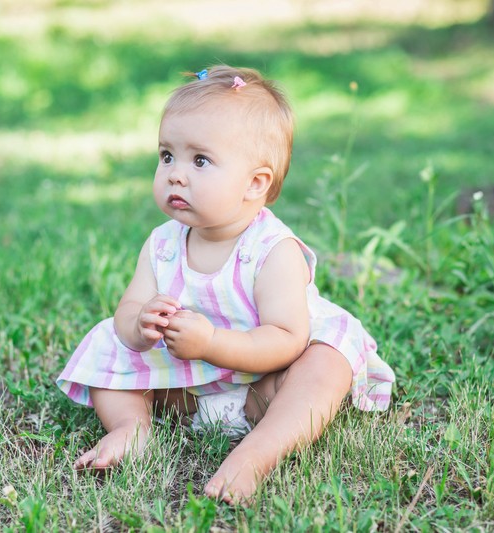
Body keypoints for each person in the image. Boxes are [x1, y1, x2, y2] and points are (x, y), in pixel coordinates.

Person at [56, 65, 395, 504]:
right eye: (166, 156)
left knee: (326, 361)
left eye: (200, 160)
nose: (176, 174)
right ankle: (132, 429)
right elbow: (128, 310)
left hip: (264, 388)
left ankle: (257, 453)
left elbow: (287, 340)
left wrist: (211, 342)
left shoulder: (272, 250)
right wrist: (139, 324)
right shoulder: (163, 244)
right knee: (108, 340)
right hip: (188, 392)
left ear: (255, 184)